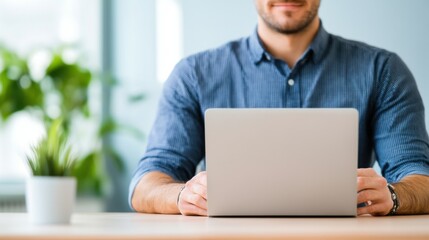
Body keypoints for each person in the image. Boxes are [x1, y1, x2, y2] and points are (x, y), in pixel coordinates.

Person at [129, 0, 429, 216]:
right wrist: (183, 195)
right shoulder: (194, 74)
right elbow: (147, 183)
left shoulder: (383, 70)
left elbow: (419, 176)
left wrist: (393, 195)